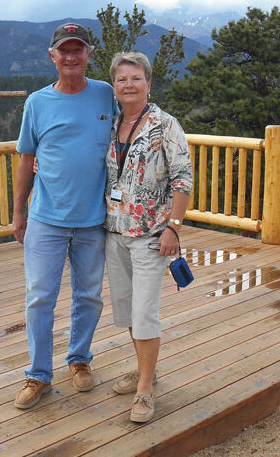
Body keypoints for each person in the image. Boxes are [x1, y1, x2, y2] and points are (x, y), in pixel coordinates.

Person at [12, 22, 117, 409]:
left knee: (88, 297)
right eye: (64, 50)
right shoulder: (37, 103)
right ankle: (38, 374)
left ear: (90, 54)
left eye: (79, 49)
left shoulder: (106, 95)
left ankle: (79, 359)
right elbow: (26, 158)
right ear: (52, 56)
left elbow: (129, 132)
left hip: (93, 219)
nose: (71, 56)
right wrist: (19, 210)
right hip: (46, 218)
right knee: (40, 297)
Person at [104, 51, 192, 423]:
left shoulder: (165, 125)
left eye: (136, 78)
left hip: (151, 235)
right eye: (122, 79)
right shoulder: (110, 124)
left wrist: (174, 226)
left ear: (148, 84)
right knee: (126, 311)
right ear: (114, 86)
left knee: (145, 313)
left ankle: (144, 390)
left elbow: (182, 178)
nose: (128, 85)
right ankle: (146, 371)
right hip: (114, 231)